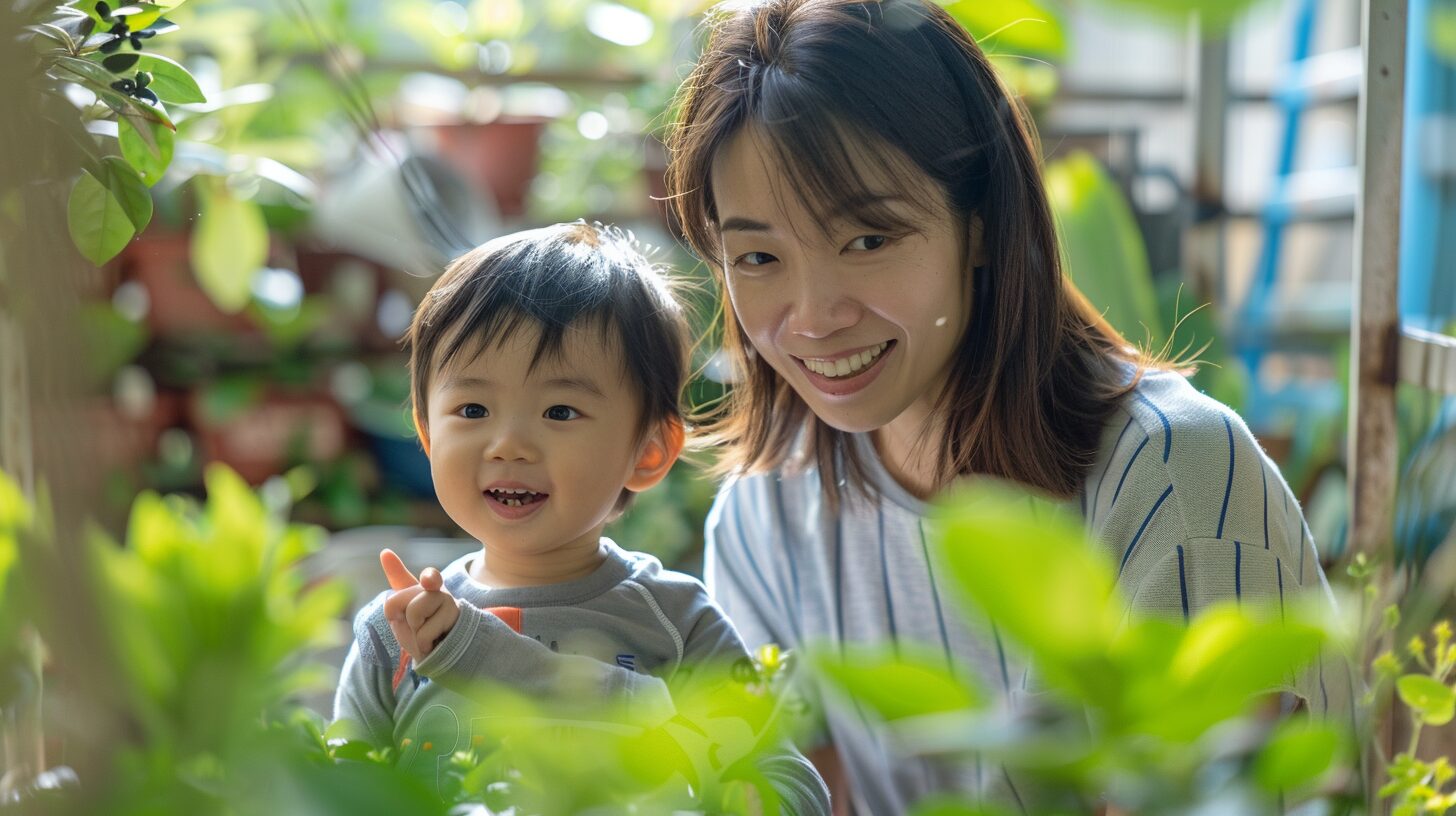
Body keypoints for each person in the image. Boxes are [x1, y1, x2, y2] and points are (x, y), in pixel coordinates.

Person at [663, 0, 1355, 812]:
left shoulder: (1171, 473)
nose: (813, 315)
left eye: (868, 240)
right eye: (758, 256)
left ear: (983, 223)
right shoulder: (763, 514)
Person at [331, 221, 830, 813]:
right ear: (427, 435)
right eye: (472, 408)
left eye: (560, 410)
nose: (508, 444)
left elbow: (793, 787)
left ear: (647, 452)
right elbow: (337, 791)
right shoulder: (395, 633)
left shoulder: (675, 621)